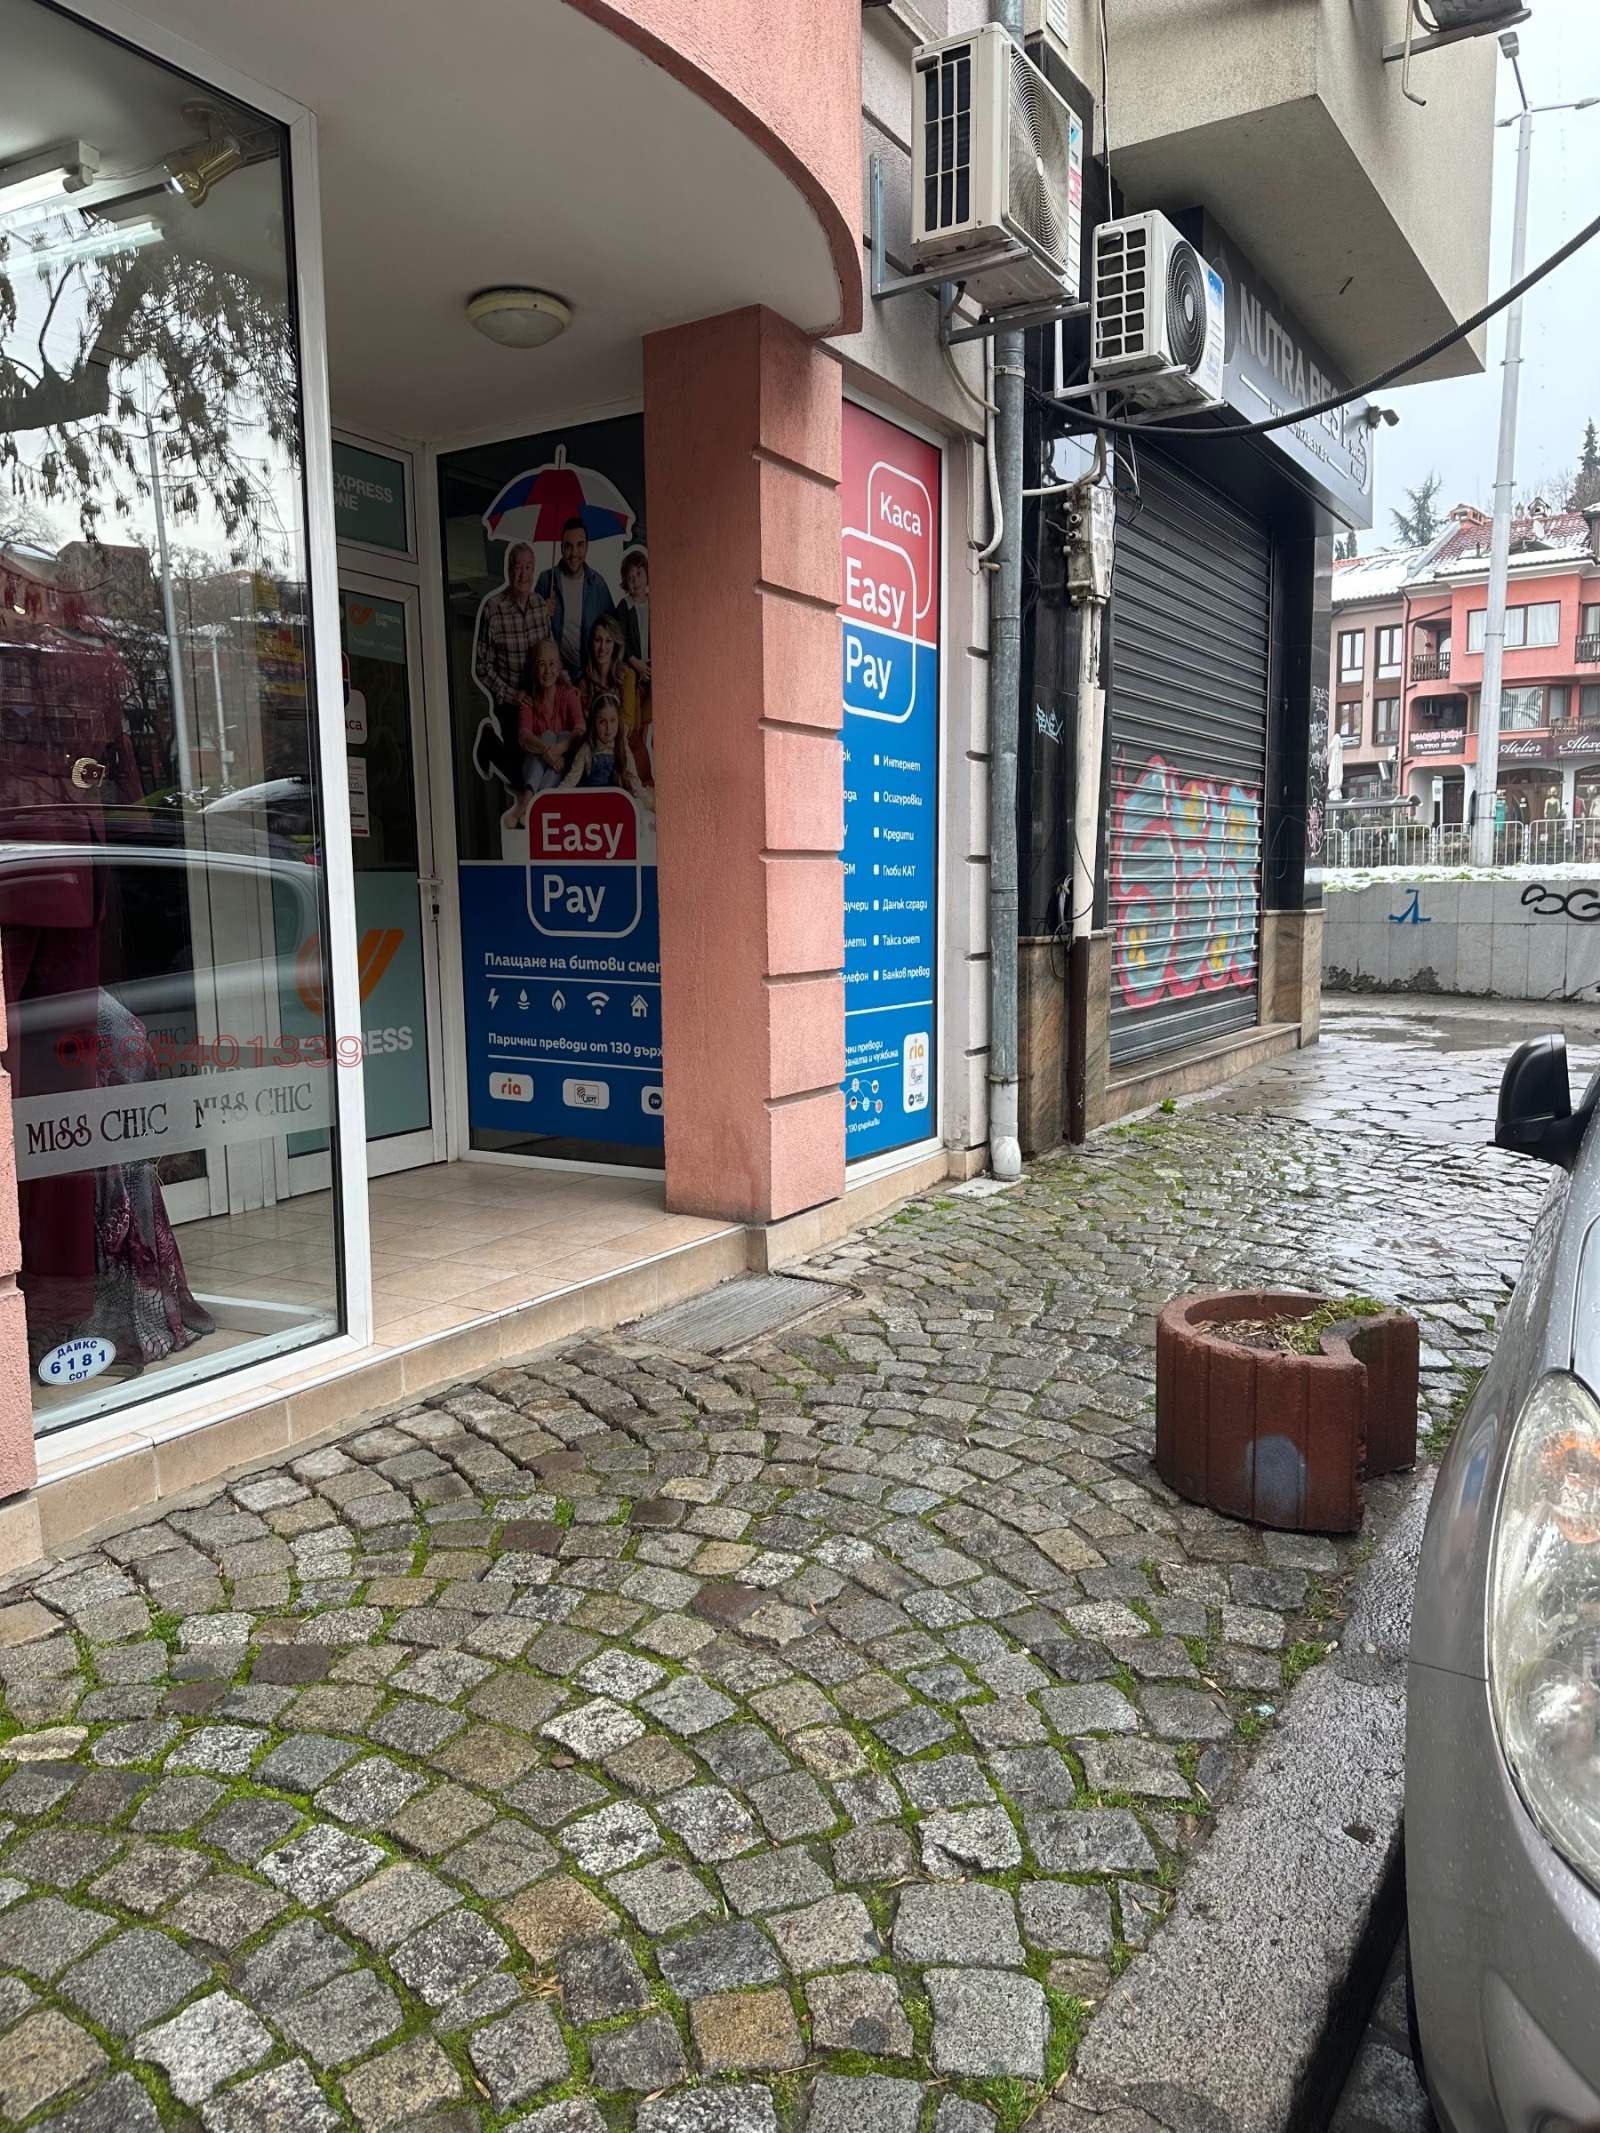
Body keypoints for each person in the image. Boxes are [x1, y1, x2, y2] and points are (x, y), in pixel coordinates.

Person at [472, 542, 552, 790]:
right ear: (509, 571)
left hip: (538, 700)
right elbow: (482, 668)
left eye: (528, 568)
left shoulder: (541, 606)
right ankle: (489, 743)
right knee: (520, 781)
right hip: (510, 703)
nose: (524, 574)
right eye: (518, 568)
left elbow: (550, 655)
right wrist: (513, 695)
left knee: (540, 770)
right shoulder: (493, 609)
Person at [512, 638, 585, 825]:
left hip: (561, 768)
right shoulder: (528, 700)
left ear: (559, 668)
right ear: (535, 669)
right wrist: (547, 750)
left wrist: (559, 749)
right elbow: (523, 736)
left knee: (564, 735)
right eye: (542, 665)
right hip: (533, 766)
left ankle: (531, 802)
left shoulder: (569, 694)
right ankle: (532, 801)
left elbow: (580, 729)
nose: (547, 671)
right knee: (548, 735)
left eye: (552, 664)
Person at [537, 519, 616, 683]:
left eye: (580, 545)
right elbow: (531, 632)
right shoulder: (546, 580)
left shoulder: (597, 584)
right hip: (555, 678)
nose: (574, 553)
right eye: (568, 546)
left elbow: (614, 630)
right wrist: (540, 611)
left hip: (589, 677)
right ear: (561, 547)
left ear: (587, 547)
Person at [561, 692, 648, 798]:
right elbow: (570, 781)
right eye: (602, 721)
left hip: (615, 802)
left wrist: (650, 803)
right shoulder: (587, 749)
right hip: (592, 801)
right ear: (594, 723)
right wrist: (554, 799)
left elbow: (635, 785)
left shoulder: (623, 748)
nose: (608, 728)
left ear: (618, 720)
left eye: (613, 720)